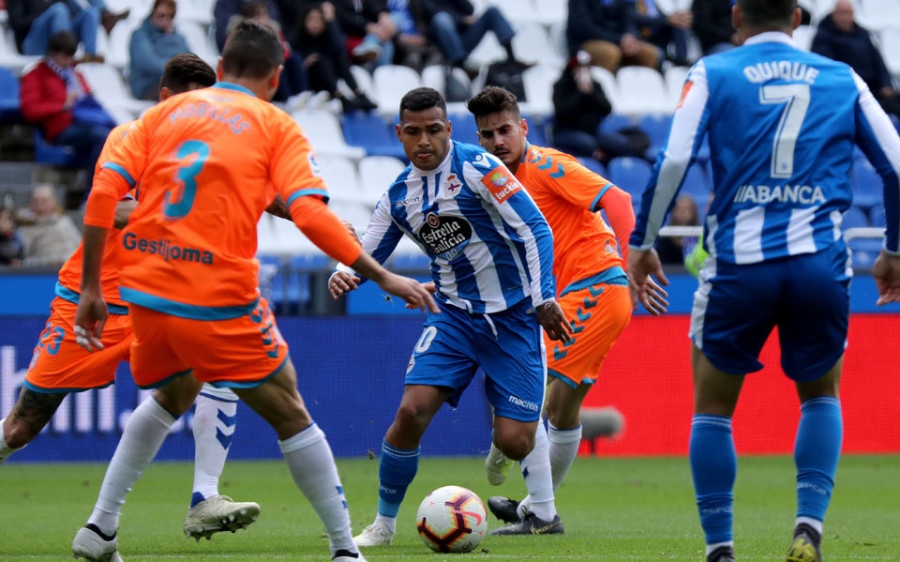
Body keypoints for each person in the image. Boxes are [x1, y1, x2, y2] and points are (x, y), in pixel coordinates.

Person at [70, 21, 435, 562]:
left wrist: (91, 288)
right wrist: (381, 274)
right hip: (217, 294)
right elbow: (308, 210)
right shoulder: (273, 124)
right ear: (276, 75)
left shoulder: (157, 115)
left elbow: (102, 195)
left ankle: (100, 528)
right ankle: (344, 550)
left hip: (145, 291)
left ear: (220, 69)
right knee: (289, 407)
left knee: (173, 394)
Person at [627, 1, 900, 561]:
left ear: (734, 17)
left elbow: (675, 158)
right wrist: (894, 250)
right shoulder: (841, 76)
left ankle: (721, 549)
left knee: (712, 409)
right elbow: (896, 166)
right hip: (818, 263)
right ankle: (808, 529)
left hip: (739, 266)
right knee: (821, 397)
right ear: (798, 19)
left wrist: (643, 243)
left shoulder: (713, 72)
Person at [0, 54, 263, 543]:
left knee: (219, 369)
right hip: (96, 300)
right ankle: (104, 528)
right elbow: (110, 209)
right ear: (165, 98)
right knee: (22, 426)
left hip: (160, 301)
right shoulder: (133, 140)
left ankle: (203, 497)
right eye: (190, 101)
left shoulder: (209, 150)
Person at [328, 87, 571, 546]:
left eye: (434, 130)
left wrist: (543, 299)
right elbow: (368, 251)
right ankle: (383, 524)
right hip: (453, 317)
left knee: (517, 440)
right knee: (411, 411)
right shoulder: (399, 196)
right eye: (414, 132)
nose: (425, 141)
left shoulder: (480, 168)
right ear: (399, 134)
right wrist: (344, 272)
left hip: (515, 316)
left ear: (449, 130)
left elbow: (535, 227)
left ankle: (524, 475)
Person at [466, 85, 666, 533]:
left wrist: (635, 256)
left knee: (521, 387)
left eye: (504, 130)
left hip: (594, 289)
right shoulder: (495, 186)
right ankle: (537, 508)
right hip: (584, 297)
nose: (498, 141)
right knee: (562, 410)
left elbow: (618, 199)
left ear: (523, 128)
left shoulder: (547, 165)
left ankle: (538, 507)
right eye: (487, 134)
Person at [19, 31, 116, 198]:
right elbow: (30, 110)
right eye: (65, 56)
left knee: (118, 135)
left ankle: (112, 192)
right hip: (61, 129)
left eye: (72, 56)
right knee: (103, 137)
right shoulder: (36, 75)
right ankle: (93, 195)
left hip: (86, 123)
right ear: (53, 53)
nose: (70, 61)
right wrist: (62, 105)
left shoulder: (75, 73)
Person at [811, 0, 900, 120]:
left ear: (852, 14)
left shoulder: (862, 33)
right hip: (849, 90)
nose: (844, 17)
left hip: (873, 88)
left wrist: (886, 83)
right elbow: (828, 66)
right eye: (840, 13)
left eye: (846, 12)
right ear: (834, 14)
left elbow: (878, 60)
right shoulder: (824, 36)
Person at [552, 50, 646, 163]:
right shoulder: (561, 86)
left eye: (587, 67)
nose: (583, 71)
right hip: (566, 132)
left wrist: (591, 93)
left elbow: (607, 109)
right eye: (579, 67)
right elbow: (563, 112)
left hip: (593, 132)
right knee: (588, 144)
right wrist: (580, 93)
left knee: (621, 144)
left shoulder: (595, 86)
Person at [294, 2, 377, 112]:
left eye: (319, 20)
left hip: (328, 80)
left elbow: (339, 49)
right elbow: (292, 61)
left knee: (340, 60)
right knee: (321, 61)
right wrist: (303, 63)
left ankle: (359, 94)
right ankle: (341, 98)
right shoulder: (297, 38)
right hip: (309, 82)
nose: (315, 24)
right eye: (311, 19)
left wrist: (331, 21)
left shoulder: (326, 38)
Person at [418, 0, 521, 73]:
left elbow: (469, 9)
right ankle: (460, 68)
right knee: (442, 19)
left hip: (462, 40)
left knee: (492, 11)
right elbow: (432, 13)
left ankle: (511, 58)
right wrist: (462, 19)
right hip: (441, 45)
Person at [6, 0, 128, 59]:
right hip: (32, 43)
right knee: (58, 10)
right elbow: (16, 24)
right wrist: (46, 15)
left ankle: (90, 55)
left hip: (59, 37)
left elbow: (79, 14)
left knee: (91, 13)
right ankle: (64, 52)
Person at [567, 0, 660, 72]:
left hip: (616, 42)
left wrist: (630, 38)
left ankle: (637, 93)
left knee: (650, 54)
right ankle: (601, 92)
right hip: (585, 42)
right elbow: (585, 28)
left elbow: (627, 19)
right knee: (610, 53)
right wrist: (619, 40)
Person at [129, 0, 190, 100]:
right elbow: (148, 62)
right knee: (178, 93)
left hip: (173, 82)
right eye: (161, 15)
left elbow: (189, 59)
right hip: (148, 85)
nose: (165, 19)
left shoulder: (177, 37)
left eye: (170, 16)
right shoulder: (140, 35)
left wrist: (170, 37)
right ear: (153, 13)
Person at [17, 183, 81, 267]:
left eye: (44, 201)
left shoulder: (65, 221)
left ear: (53, 201)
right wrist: (52, 262)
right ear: (31, 204)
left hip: (74, 270)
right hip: (45, 273)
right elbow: (23, 261)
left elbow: (80, 247)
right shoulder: (26, 227)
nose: (40, 206)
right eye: (36, 201)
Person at [332, 0, 395, 66]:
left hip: (368, 34)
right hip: (347, 36)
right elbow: (342, 17)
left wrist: (382, 15)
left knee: (387, 44)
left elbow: (371, 5)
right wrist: (367, 26)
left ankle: (381, 73)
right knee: (377, 44)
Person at [634, 0, 693, 66]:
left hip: (657, 35)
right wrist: (667, 20)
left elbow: (660, 17)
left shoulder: (653, 2)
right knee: (675, 21)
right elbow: (637, 19)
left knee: (679, 22)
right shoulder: (632, 3)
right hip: (640, 38)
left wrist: (673, 19)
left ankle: (680, 61)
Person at [656, 194, 700, 265]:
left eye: (686, 209)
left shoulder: (700, 237)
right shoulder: (664, 238)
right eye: (679, 209)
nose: (682, 212)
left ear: (693, 213)